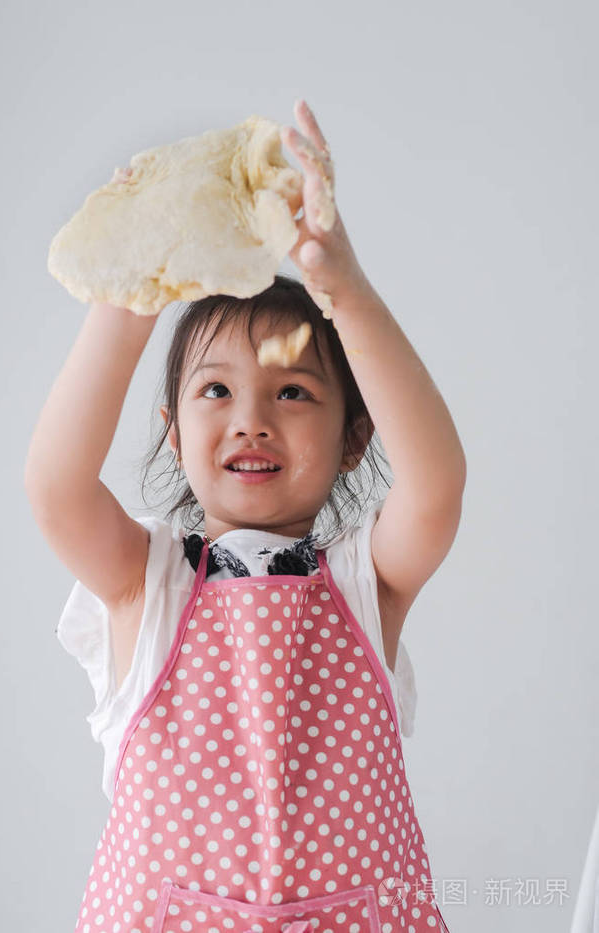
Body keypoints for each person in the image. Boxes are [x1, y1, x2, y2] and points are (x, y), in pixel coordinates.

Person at [25, 99, 465, 933]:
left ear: (352, 438)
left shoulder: (366, 584)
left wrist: (347, 291)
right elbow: (56, 485)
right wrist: (132, 290)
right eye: (215, 389)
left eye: (292, 391)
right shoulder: (142, 584)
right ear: (175, 429)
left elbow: (437, 484)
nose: (250, 418)